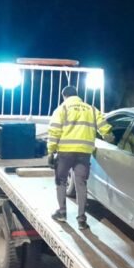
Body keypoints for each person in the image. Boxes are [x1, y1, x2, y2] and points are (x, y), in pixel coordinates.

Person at [47, 86, 114, 230]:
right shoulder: (91, 109)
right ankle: (82, 219)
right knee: (81, 185)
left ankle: (62, 213)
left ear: (64, 96)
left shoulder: (62, 109)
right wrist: (108, 135)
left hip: (65, 152)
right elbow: (104, 126)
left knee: (61, 182)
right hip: (84, 153)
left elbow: (54, 132)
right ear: (77, 95)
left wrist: (50, 152)